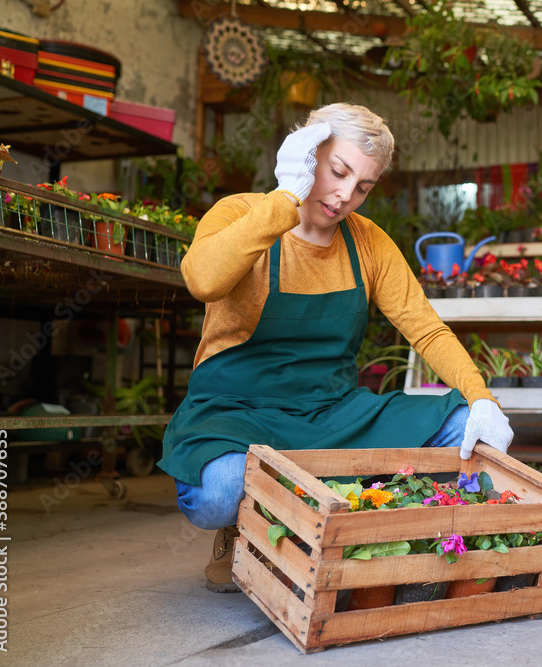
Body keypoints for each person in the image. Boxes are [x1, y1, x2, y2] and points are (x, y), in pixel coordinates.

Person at [158, 103, 513, 593]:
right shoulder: (242, 213)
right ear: (308, 152)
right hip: (238, 409)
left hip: (333, 410)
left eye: (363, 187)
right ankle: (239, 529)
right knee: (218, 491)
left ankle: (368, 535)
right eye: (338, 172)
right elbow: (202, 280)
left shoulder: (367, 242)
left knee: (462, 430)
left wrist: (481, 399)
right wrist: (285, 198)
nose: (346, 196)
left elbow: (425, 328)